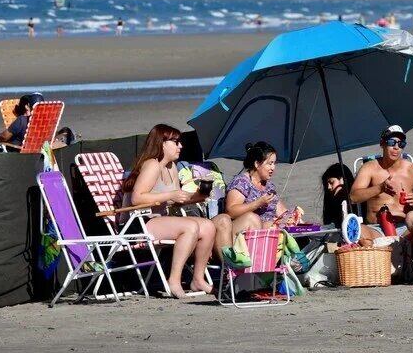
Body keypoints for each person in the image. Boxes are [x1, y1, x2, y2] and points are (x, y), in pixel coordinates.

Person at [122, 124, 215, 298]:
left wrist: (197, 197)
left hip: (159, 220)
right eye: (176, 142)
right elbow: (137, 198)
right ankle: (174, 280)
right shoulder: (152, 165)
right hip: (139, 222)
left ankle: (198, 279)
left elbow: (172, 199)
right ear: (162, 144)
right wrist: (171, 194)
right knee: (190, 227)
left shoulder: (171, 167)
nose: (181, 146)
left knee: (208, 227)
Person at [350, 125, 413, 249]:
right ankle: (397, 260)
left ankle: (401, 258)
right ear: (382, 144)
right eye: (391, 142)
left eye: (401, 144)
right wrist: (379, 188)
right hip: (376, 230)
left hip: (406, 229)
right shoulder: (370, 168)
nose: (396, 147)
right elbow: (353, 197)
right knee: (357, 232)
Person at [225, 142, 294, 232]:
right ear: (257, 164)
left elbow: (282, 212)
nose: (273, 168)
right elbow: (231, 211)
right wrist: (258, 203)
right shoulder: (241, 182)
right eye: (270, 163)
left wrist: (293, 218)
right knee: (253, 218)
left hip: (268, 231)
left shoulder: (268, 186)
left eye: (274, 163)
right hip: (244, 232)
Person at [322, 163, 379, 245]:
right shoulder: (332, 200)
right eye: (327, 184)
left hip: (355, 234)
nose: (329, 187)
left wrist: (341, 192)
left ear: (342, 179)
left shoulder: (354, 197)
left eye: (331, 183)